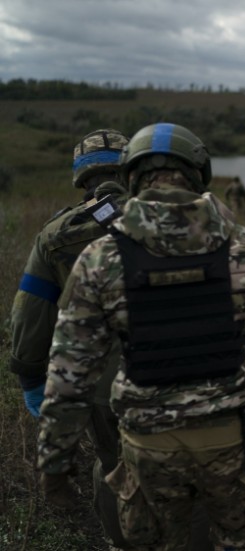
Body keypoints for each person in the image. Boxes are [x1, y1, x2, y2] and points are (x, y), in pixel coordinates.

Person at [37, 122, 245, 551]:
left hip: (147, 446)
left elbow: (70, 375)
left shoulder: (101, 258)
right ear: (199, 171)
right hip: (230, 437)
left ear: (131, 176)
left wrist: (54, 466)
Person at [8, 128, 140, 548]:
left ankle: (124, 542)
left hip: (100, 384)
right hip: (179, 372)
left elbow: (30, 317)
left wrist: (31, 380)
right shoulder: (169, 218)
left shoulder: (54, 236)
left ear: (80, 179)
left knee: (114, 464)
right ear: (130, 170)